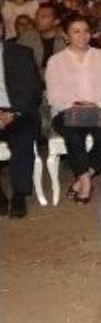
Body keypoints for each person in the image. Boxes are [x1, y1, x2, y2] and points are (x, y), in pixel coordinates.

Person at [45, 16, 101, 204]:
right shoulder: (55, 61)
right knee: (73, 136)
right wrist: (76, 104)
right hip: (68, 112)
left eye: (86, 31)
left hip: (99, 109)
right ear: (66, 35)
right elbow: (53, 97)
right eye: (76, 31)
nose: (82, 36)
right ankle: (86, 183)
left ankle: (81, 178)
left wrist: (94, 104)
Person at [0, 17, 43, 218]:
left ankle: (19, 194)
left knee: (23, 139)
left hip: (18, 111)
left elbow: (33, 90)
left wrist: (13, 112)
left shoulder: (21, 53)